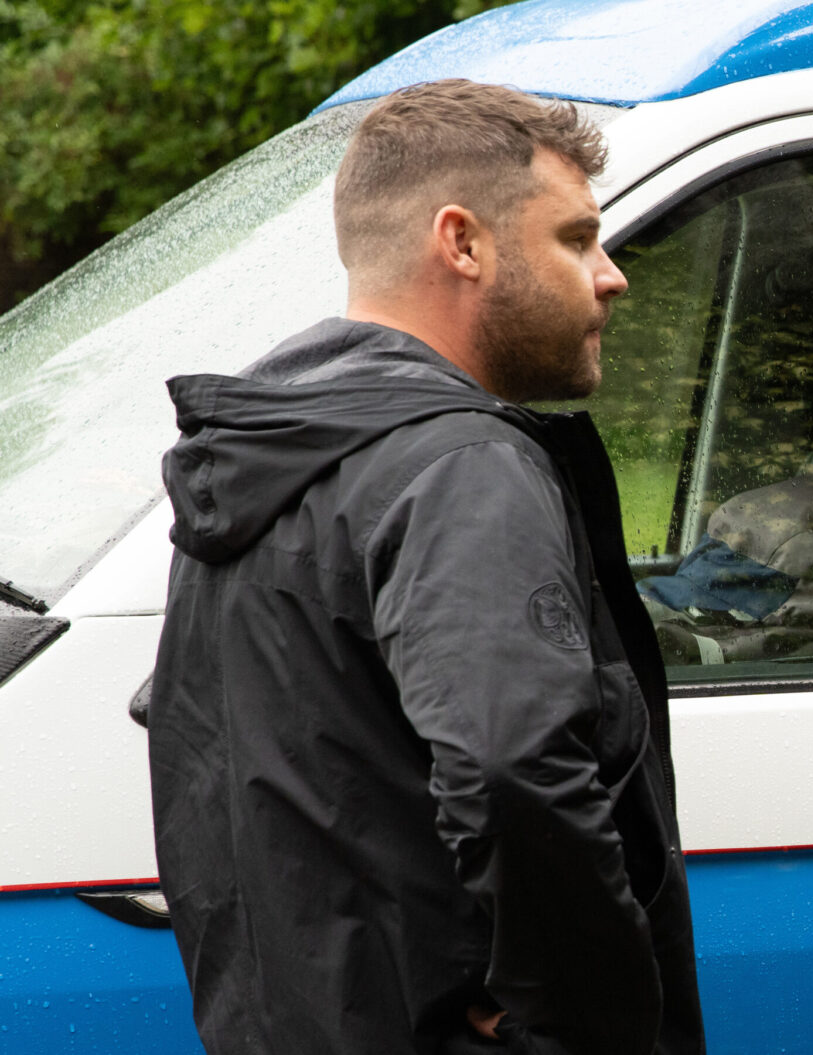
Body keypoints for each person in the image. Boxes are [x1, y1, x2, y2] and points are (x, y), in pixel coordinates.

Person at [147, 79, 705, 1055]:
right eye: (575, 238)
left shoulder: (255, 471)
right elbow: (510, 762)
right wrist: (595, 1023)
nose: (610, 275)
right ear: (462, 242)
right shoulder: (461, 463)